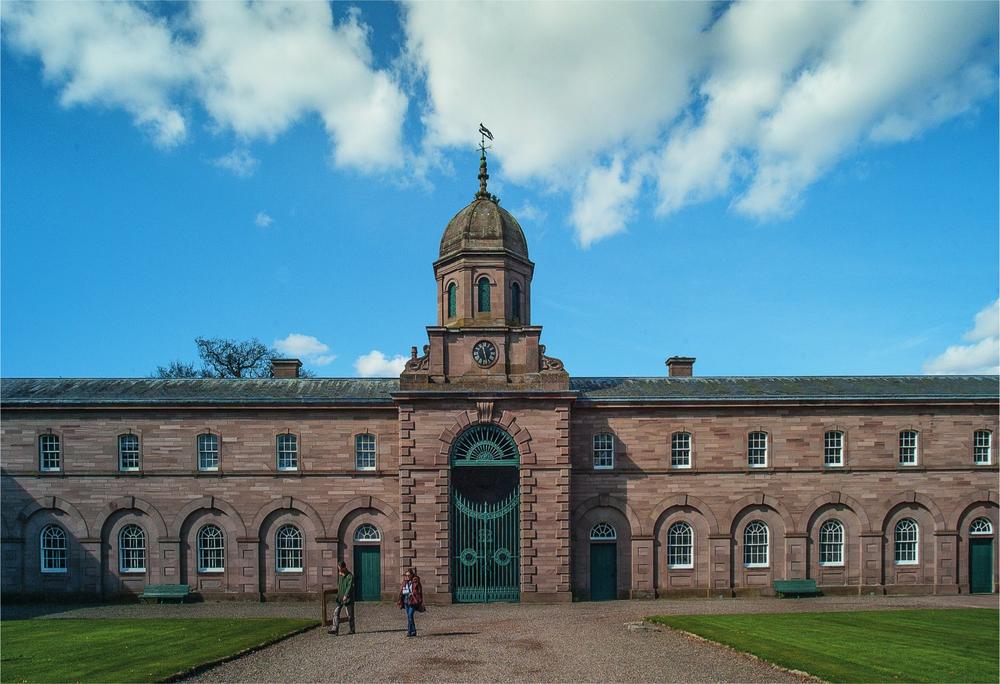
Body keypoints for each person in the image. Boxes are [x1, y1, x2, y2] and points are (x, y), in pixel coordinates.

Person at [395, 567, 424, 637]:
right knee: (409, 617)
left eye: (408, 575)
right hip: (406, 601)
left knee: (410, 615)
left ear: (412, 575)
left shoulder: (415, 581)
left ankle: (409, 632)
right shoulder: (404, 582)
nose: (407, 576)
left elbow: (418, 591)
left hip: (413, 601)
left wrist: (413, 593)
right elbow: (402, 591)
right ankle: (413, 631)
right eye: (406, 575)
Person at [329, 561, 355, 635]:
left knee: (350, 615)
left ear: (344, 567)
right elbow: (339, 586)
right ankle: (335, 629)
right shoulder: (340, 575)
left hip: (348, 598)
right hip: (340, 598)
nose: (339, 570)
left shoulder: (350, 576)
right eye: (338, 568)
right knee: (336, 613)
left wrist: (346, 595)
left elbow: (349, 587)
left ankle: (352, 629)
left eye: (340, 568)